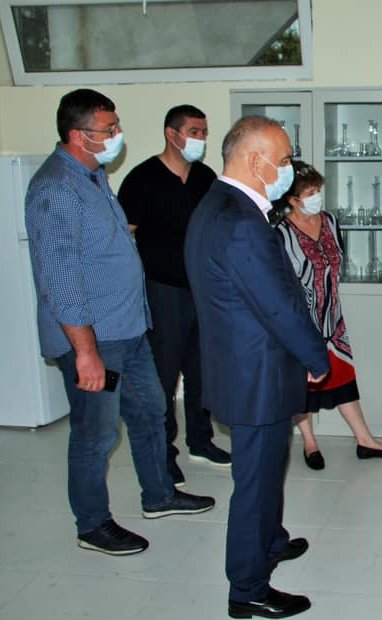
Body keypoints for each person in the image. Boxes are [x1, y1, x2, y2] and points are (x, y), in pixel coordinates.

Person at [24, 89, 215, 556]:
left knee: (150, 411)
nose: (117, 135)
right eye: (108, 129)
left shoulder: (93, 177)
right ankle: (92, 524)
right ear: (78, 135)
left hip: (128, 332)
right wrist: (86, 352)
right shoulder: (56, 188)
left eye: (116, 126)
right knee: (96, 433)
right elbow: (60, 278)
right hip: (96, 341)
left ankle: (160, 495)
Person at [184, 116, 330, 619]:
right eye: (283, 160)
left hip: (245, 365)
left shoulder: (218, 204)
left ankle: (271, 541)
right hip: (257, 373)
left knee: (269, 469)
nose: (288, 169)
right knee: (255, 484)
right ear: (254, 160)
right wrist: (315, 356)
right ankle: (247, 589)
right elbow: (277, 306)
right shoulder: (240, 221)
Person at [117, 104, 229, 488]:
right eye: (195, 131)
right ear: (172, 133)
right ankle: (164, 454)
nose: (201, 139)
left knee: (202, 370)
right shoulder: (142, 178)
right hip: (162, 291)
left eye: (204, 132)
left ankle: (201, 440)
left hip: (202, 290)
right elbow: (124, 236)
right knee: (163, 376)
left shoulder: (205, 177)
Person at [274, 161, 382, 470]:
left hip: (332, 322)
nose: (317, 197)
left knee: (343, 378)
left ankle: (365, 440)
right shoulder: (280, 234)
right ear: (292, 199)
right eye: (309, 193)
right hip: (301, 325)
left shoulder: (330, 221)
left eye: (318, 190)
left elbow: (337, 262)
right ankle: (310, 443)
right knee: (303, 388)